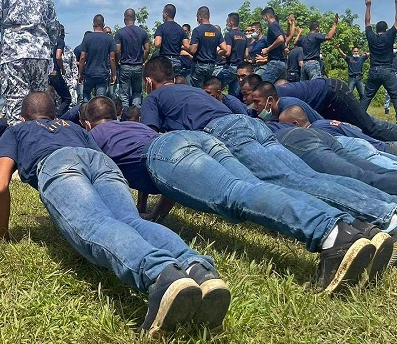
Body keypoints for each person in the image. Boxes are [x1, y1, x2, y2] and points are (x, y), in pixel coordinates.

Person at [84, 96, 391, 293]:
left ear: (87, 123)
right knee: (257, 188)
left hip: (165, 154)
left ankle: (333, 236)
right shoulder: (133, 127)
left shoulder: (94, 135)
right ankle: (357, 227)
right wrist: (156, 214)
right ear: (118, 114)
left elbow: (107, 177)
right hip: (195, 139)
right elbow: (170, 182)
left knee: (235, 195)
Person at [0, 92, 228, 336]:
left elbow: (0, 186)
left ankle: (161, 275)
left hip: (58, 164)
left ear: (22, 117)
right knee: (130, 220)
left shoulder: (17, 130)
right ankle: (198, 269)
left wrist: (3, 233)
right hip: (102, 163)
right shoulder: (73, 127)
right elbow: (99, 156)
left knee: (94, 224)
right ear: (55, 115)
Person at [141, 56, 397, 233]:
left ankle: (383, 215)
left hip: (226, 132)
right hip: (251, 125)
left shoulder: (154, 98)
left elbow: (151, 146)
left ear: (150, 81)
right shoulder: (195, 91)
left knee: (289, 181)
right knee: (307, 175)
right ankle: (384, 206)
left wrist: (147, 211)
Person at [273, 77, 397, 141]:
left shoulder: (284, 101)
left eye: (257, 103)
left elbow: (317, 123)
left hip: (335, 93)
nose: (256, 107)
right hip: (325, 102)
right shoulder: (270, 96)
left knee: (369, 128)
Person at [361, 0, 397, 110]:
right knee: (395, 96)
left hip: (374, 70)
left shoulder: (371, 36)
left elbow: (367, 22)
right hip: (388, 70)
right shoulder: (389, 36)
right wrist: (396, 4)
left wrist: (368, 5)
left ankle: (357, 120)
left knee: (366, 97)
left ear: (376, 29)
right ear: (386, 29)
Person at [114, 8, 150, 109]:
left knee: (124, 94)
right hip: (138, 66)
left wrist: (118, 62)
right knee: (137, 93)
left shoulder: (120, 33)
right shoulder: (142, 32)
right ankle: (136, 115)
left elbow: (117, 50)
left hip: (125, 65)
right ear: (135, 18)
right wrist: (142, 60)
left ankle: (125, 115)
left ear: (124, 18)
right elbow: (147, 49)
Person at [78, 14, 116, 102]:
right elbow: (112, 58)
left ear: (93, 24)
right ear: (103, 25)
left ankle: (85, 114)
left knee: (86, 96)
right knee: (100, 100)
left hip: (89, 73)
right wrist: (114, 74)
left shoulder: (87, 38)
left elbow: (82, 57)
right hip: (103, 73)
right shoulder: (109, 38)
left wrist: (80, 73)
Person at [188, 6, 222, 89]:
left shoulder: (197, 30)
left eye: (197, 17)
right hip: (211, 66)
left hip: (199, 65)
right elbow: (225, 48)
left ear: (200, 16)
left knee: (197, 90)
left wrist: (185, 48)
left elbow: (193, 50)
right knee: (207, 89)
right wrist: (217, 54)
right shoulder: (216, 31)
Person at [297, 15, 337, 80]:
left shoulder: (303, 38)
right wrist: (335, 24)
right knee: (316, 86)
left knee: (304, 87)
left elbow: (295, 43)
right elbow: (329, 36)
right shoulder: (316, 36)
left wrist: (299, 33)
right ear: (317, 28)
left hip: (304, 65)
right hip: (313, 64)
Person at [154, 4, 188, 76]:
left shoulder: (161, 28)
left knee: (164, 83)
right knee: (175, 84)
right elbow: (187, 46)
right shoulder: (180, 29)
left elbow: (157, 44)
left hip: (165, 61)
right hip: (177, 60)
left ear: (166, 14)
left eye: (163, 13)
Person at [259, 7, 287, 82]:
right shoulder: (279, 26)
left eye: (263, 18)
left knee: (263, 87)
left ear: (266, 16)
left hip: (275, 63)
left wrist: (267, 49)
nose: (264, 20)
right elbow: (284, 41)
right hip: (282, 63)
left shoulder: (272, 26)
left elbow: (280, 39)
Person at [49, 25, 72, 115]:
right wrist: (62, 69)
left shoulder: (46, 40)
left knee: (49, 97)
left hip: (44, 74)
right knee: (67, 98)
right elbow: (58, 57)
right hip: (55, 73)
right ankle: (58, 117)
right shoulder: (60, 41)